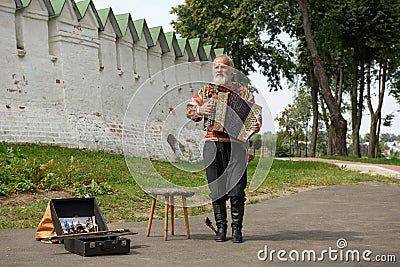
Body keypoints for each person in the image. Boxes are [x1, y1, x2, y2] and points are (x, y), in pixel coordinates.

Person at [186, 55, 261, 243]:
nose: (219, 70)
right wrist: (200, 111)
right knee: (216, 189)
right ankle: (221, 228)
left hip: (237, 146)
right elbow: (189, 109)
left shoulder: (243, 92)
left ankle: (237, 230)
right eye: (216, 67)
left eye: (223, 67)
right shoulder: (206, 91)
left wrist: (256, 125)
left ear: (232, 71)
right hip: (213, 143)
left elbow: (254, 119)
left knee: (237, 190)